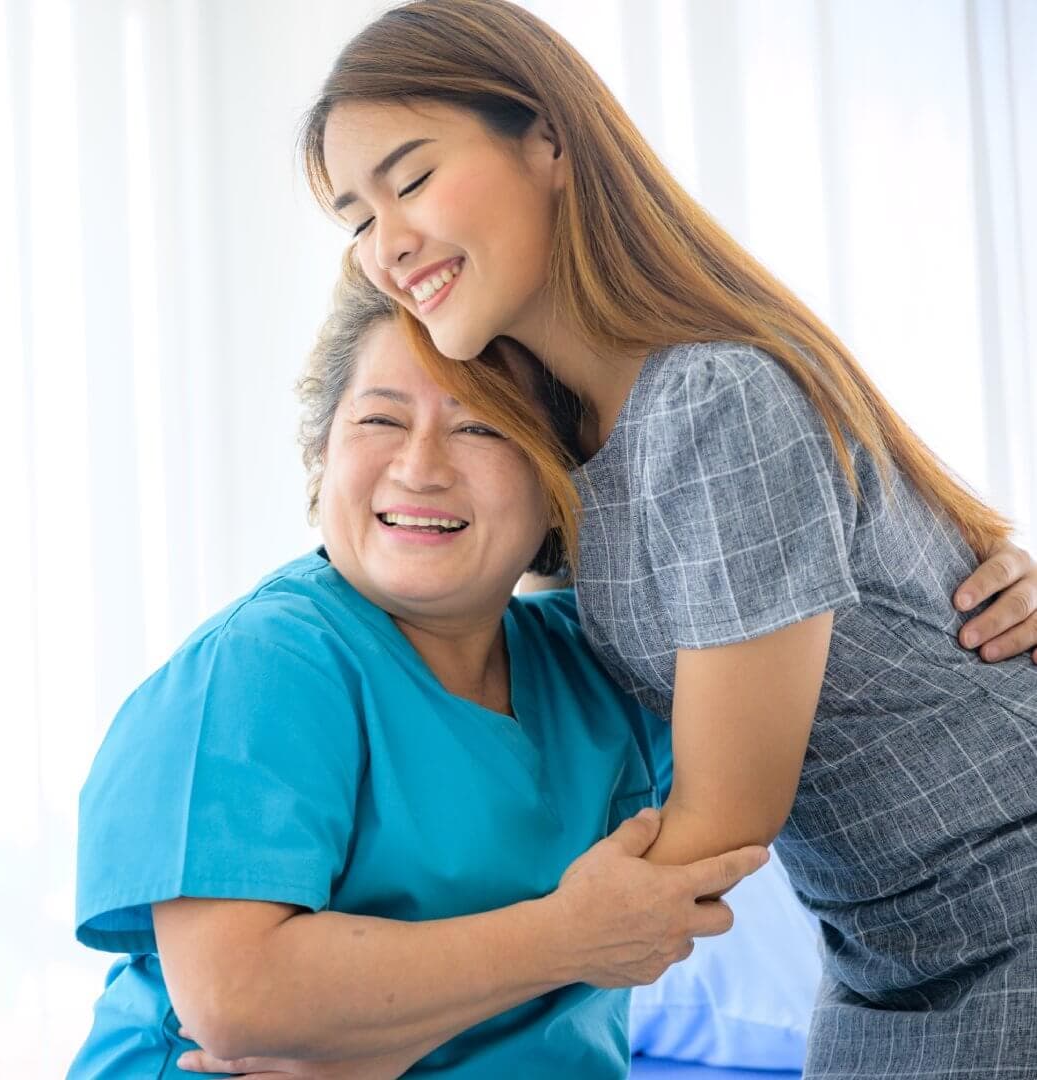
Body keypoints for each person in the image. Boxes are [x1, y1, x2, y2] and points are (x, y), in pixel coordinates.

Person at [68, 263, 1037, 1078]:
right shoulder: (259, 670)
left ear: (561, 493)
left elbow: (804, 634)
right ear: (321, 460)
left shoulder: (601, 659)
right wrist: (567, 938)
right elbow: (238, 997)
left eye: (483, 427)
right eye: (378, 421)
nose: (421, 467)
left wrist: (979, 580)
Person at [301, 2, 1037, 1074]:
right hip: (885, 957)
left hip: (1007, 923)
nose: (387, 245)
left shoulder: (712, 398)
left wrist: (389, 1025)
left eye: (408, 182)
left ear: (548, 137)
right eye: (356, 218)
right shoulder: (563, 445)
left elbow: (724, 819)